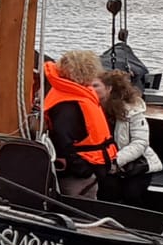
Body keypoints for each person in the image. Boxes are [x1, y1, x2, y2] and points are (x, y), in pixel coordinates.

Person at [41, 49, 115, 199]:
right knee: (81, 211)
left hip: (88, 170)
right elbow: (63, 142)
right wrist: (83, 169)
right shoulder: (67, 105)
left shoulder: (71, 96)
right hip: (77, 176)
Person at [101, 69, 161, 205]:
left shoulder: (132, 112)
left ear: (109, 89)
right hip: (107, 164)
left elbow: (140, 142)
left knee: (131, 194)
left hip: (135, 165)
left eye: (96, 86)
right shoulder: (93, 109)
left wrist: (116, 161)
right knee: (108, 191)